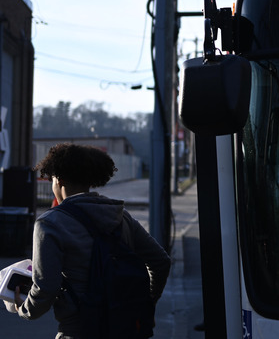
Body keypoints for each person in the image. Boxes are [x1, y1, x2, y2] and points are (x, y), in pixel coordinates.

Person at [13, 143, 171, 338]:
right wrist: (146, 303)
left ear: (59, 180)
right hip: (126, 327)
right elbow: (161, 261)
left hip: (79, 329)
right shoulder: (121, 217)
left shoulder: (50, 224)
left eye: (52, 179)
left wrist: (23, 308)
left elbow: (46, 288)